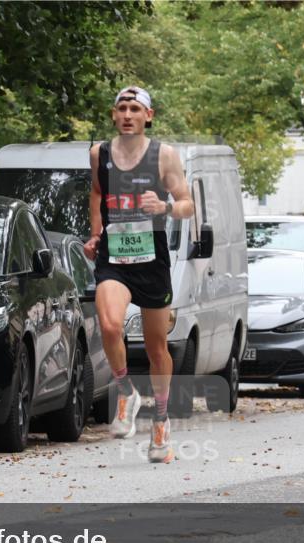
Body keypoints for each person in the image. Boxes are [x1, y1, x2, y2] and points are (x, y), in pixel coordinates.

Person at [83, 86, 194, 464]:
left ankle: (161, 420)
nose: (127, 114)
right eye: (121, 108)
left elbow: (187, 205)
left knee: (155, 348)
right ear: (114, 115)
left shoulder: (163, 155)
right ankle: (125, 390)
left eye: (135, 108)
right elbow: (97, 192)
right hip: (114, 257)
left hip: (151, 260)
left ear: (149, 115)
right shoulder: (99, 154)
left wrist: (164, 205)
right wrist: (96, 232)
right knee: (111, 325)